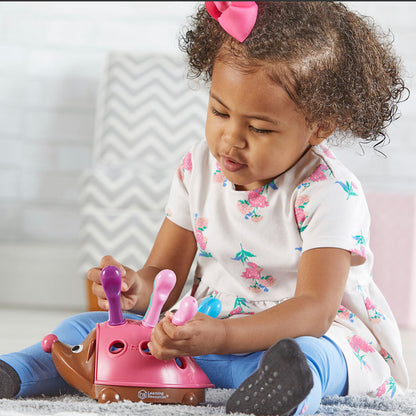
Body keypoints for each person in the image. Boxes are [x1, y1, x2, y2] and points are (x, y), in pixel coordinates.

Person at [0, 2, 410, 415]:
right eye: (219, 111)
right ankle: (18, 371)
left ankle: (287, 394)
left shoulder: (330, 191)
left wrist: (224, 337)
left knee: (312, 355)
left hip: (296, 338)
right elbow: (163, 275)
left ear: (320, 126)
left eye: (259, 128)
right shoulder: (197, 168)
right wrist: (135, 287)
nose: (230, 139)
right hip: (205, 333)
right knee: (86, 329)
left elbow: (314, 312)